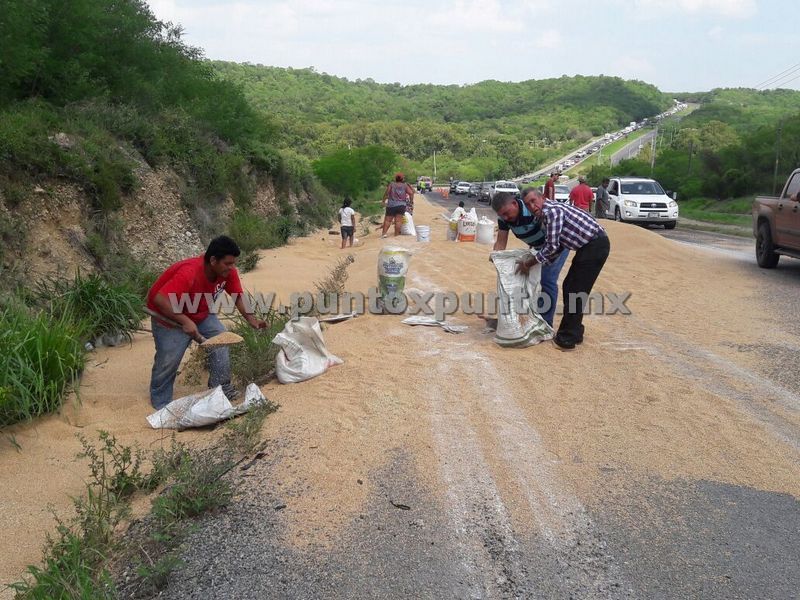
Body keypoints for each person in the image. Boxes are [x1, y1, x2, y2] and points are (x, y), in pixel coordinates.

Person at [146, 236, 266, 409]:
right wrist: (184, 320)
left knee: (221, 341)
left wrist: (251, 319)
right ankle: (161, 401)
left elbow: (237, 296)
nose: (232, 268)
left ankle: (221, 388)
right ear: (213, 260)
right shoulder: (189, 272)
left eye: (233, 263)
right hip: (168, 317)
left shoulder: (227, 272)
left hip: (200, 313)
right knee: (169, 360)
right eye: (228, 263)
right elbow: (160, 300)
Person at [516, 190, 610, 351]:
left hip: (595, 246)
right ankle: (576, 331)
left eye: (534, 200)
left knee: (575, 290)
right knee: (571, 287)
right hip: (589, 247)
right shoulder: (546, 214)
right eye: (528, 204)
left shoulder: (551, 211)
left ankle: (567, 338)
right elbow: (559, 245)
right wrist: (543, 263)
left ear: (542, 198)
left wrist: (531, 263)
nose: (532, 206)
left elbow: (552, 246)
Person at [491, 191, 570, 327]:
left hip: (557, 245)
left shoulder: (531, 211)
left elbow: (552, 240)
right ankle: (528, 316)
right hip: (536, 247)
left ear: (515, 204)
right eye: (501, 215)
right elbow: (501, 242)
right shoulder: (504, 219)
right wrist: (497, 258)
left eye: (506, 213)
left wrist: (536, 259)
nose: (505, 217)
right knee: (524, 280)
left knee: (547, 279)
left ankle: (545, 323)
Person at [381, 173, 415, 237]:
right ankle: (396, 235)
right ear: (402, 179)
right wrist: (411, 202)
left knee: (388, 220)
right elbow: (411, 193)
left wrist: (383, 201)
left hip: (391, 205)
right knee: (398, 221)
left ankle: (384, 234)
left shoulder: (391, 184)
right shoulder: (405, 186)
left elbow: (386, 193)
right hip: (401, 205)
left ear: (395, 178)